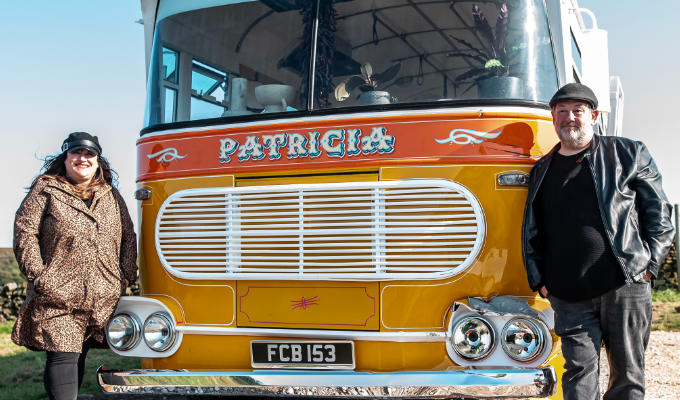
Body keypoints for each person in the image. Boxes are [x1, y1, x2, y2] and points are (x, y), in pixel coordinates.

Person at [522, 83, 675, 400]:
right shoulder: (541, 170)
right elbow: (533, 230)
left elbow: (658, 213)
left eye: (577, 110)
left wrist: (649, 265)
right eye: (562, 111)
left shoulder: (628, 153)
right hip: (568, 294)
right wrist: (541, 281)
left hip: (624, 284)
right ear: (553, 118)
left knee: (628, 377)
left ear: (593, 115)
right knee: (578, 375)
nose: (569, 118)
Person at [12, 132, 138, 400]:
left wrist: (125, 276)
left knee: (77, 353)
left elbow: (128, 235)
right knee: (63, 355)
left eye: (89, 154)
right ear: (65, 158)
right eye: (76, 153)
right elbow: (25, 230)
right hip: (57, 291)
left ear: (98, 160)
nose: (82, 158)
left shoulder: (111, 195)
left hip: (100, 294)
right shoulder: (46, 189)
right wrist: (38, 275)